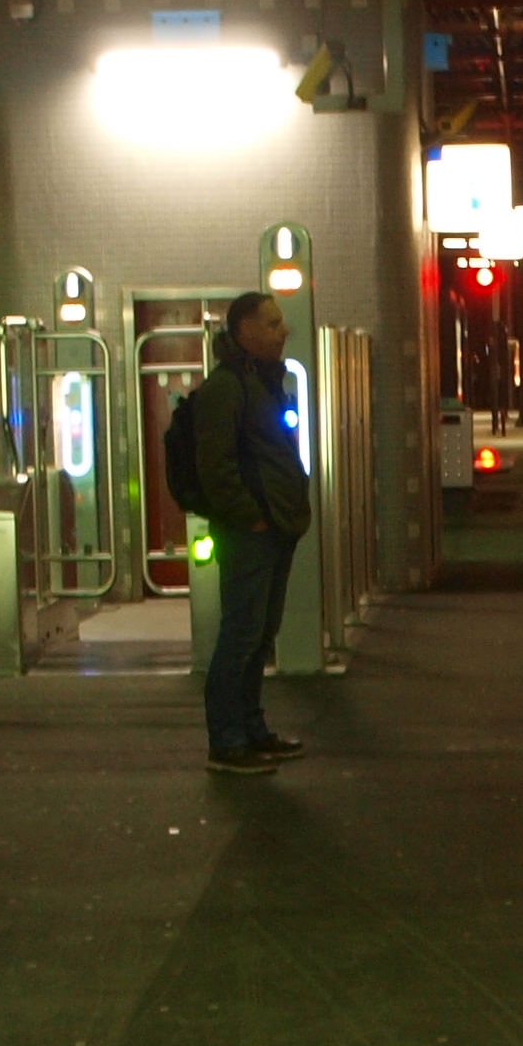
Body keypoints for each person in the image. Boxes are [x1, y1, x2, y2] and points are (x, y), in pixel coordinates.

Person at [182, 289, 312, 774]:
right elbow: (215, 465)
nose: (284, 332)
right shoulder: (227, 388)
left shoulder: (263, 381)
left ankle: (250, 728)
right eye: (274, 324)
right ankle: (227, 740)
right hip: (252, 531)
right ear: (245, 332)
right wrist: (250, 516)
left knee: (259, 634)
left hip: (274, 527)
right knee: (240, 634)